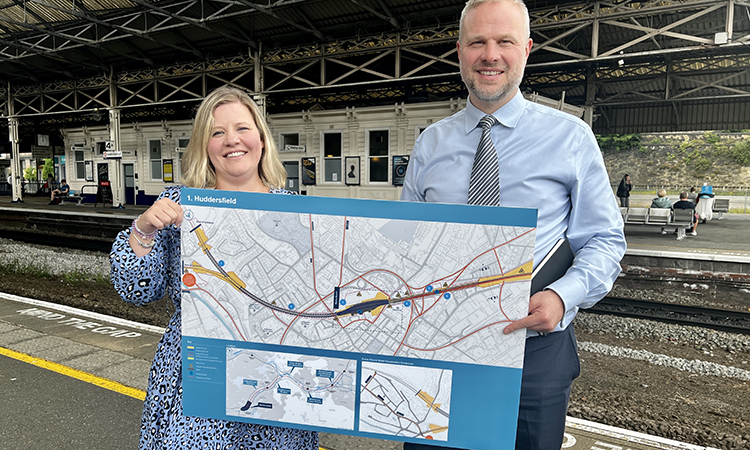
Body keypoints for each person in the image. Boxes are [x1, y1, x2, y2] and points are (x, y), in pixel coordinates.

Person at [399, 1, 626, 449]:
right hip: (436, 345)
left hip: (535, 347)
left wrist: (562, 298)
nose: (491, 55)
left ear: (526, 49)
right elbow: (405, 240)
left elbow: (603, 239)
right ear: (459, 51)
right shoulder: (430, 144)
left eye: (504, 42)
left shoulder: (571, 138)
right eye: (477, 42)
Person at [109, 86, 318, 450]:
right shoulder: (178, 204)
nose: (231, 141)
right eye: (217, 132)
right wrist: (142, 229)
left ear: (262, 139)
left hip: (278, 377)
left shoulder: (299, 211)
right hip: (198, 372)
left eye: (242, 129)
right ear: (204, 146)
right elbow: (136, 291)